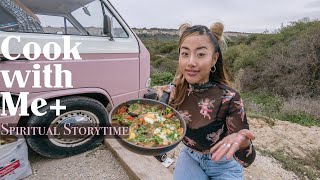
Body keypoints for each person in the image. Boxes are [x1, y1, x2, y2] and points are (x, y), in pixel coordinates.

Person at [158, 22, 256, 180]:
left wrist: (244, 143)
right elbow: (162, 131)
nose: (191, 62)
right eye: (185, 53)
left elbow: (247, 159)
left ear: (214, 58)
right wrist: (160, 104)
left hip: (223, 162)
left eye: (201, 54)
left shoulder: (229, 98)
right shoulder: (176, 90)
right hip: (190, 157)